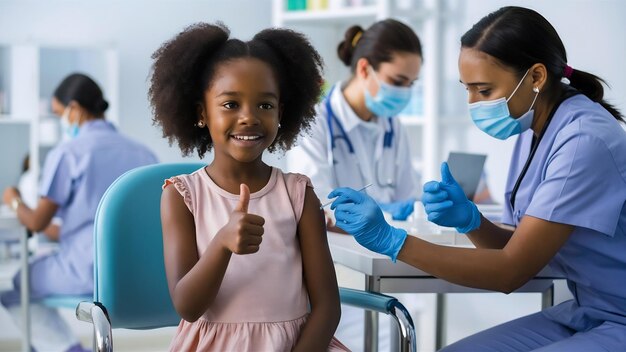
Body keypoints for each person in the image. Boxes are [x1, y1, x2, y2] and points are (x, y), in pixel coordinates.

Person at [328, 6, 626, 351]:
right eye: (467, 88)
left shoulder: (582, 140)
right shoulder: (534, 128)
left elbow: (510, 271)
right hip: (590, 311)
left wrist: (393, 241)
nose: (472, 103)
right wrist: (472, 221)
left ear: (535, 77)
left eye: (483, 91)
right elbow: (518, 250)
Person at [150, 23, 348, 351]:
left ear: (282, 113)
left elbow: (328, 308)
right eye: (230, 104)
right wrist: (222, 244)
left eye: (265, 105)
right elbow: (187, 306)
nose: (249, 117)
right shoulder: (180, 195)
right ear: (202, 112)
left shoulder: (299, 195)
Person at [1, 73, 158, 352]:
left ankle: (68, 349)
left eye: (59, 113)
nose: (61, 121)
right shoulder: (144, 154)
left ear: (74, 109)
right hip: (137, 273)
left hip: (86, 272)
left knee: (16, 285)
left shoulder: (69, 152)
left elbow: (36, 222)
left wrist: (14, 200)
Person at [287, 19, 423, 222]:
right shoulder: (314, 123)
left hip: (388, 246)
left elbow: (409, 198)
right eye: (397, 81)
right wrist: (382, 214)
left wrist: (421, 207)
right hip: (337, 249)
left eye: (411, 84)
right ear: (364, 69)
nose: (404, 92)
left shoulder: (393, 128)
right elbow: (315, 205)